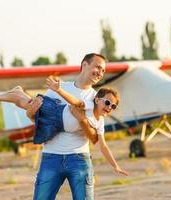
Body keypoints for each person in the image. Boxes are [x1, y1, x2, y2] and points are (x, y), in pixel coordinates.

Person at [0, 75, 128, 175]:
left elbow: (102, 145)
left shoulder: (99, 122)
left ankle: (18, 92)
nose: (109, 107)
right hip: (55, 112)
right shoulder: (89, 105)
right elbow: (75, 102)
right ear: (97, 100)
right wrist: (60, 90)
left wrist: (115, 165)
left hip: (56, 126)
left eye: (113, 106)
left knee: (25, 102)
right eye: (107, 103)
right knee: (25, 103)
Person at [24, 53, 122, 200]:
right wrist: (30, 114)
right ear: (84, 65)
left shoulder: (98, 100)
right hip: (51, 156)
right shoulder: (56, 89)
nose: (100, 73)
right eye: (97, 67)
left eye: (103, 70)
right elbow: (41, 120)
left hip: (79, 159)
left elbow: (95, 139)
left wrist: (82, 120)